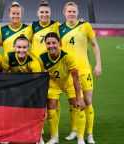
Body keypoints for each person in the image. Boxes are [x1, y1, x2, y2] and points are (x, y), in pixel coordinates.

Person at [59, 2, 102, 144]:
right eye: (69, 11)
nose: (71, 14)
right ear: (64, 13)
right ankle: (75, 131)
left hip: (84, 70)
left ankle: (89, 134)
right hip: (69, 72)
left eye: (74, 11)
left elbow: (95, 45)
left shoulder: (85, 26)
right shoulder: (60, 29)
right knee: (74, 104)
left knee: (88, 102)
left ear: (77, 13)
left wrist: (98, 64)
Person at [37, 32, 85, 144]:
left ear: (59, 42)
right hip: (54, 84)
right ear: (45, 44)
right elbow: (40, 76)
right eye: (48, 43)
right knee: (51, 107)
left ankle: (80, 137)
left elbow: (76, 78)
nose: (51, 45)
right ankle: (54, 137)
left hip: (69, 82)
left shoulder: (68, 56)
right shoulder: (42, 57)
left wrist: (79, 97)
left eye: (54, 42)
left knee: (78, 106)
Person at [31, 2, 61, 144]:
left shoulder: (56, 26)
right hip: (37, 68)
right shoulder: (33, 26)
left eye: (46, 12)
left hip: (51, 67)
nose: (44, 15)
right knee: (38, 99)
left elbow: (66, 33)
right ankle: (39, 127)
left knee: (53, 99)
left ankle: (54, 132)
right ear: (38, 13)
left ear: (50, 13)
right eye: (42, 12)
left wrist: (79, 21)